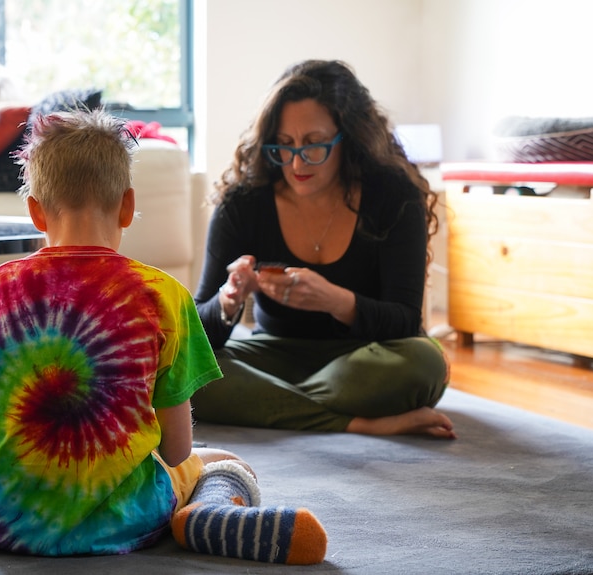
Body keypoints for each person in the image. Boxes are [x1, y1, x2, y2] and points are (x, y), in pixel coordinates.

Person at [0, 109, 327, 564]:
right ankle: (208, 514)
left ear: (34, 212)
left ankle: (198, 513)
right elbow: (177, 449)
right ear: (127, 205)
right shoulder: (163, 295)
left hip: (10, 522)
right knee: (222, 458)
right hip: (135, 518)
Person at [191, 59, 456, 439]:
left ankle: (274, 406)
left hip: (365, 358)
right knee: (181, 369)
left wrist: (335, 301)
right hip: (272, 356)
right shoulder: (243, 203)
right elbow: (199, 333)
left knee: (424, 362)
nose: (297, 162)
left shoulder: (394, 197)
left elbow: (404, 320)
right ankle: (359, 422)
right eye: (284, 146)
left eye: (314, 144)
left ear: (348, 138)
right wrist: (228, 301)